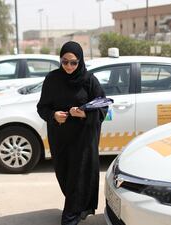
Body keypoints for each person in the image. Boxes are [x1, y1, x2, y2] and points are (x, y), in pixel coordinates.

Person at [36, 41, 108, 225]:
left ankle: (70, 217)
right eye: (65, 62)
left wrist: (85, 113)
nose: (69, 66)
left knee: (78, 178)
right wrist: (53, 115)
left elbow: (102, 106)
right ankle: (76, 206)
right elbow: (42, 107)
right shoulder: (52, 79)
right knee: (65, 178)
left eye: (73, 62)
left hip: (83, 140)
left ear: (80, 61)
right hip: (60, 139)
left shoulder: (89, 80)